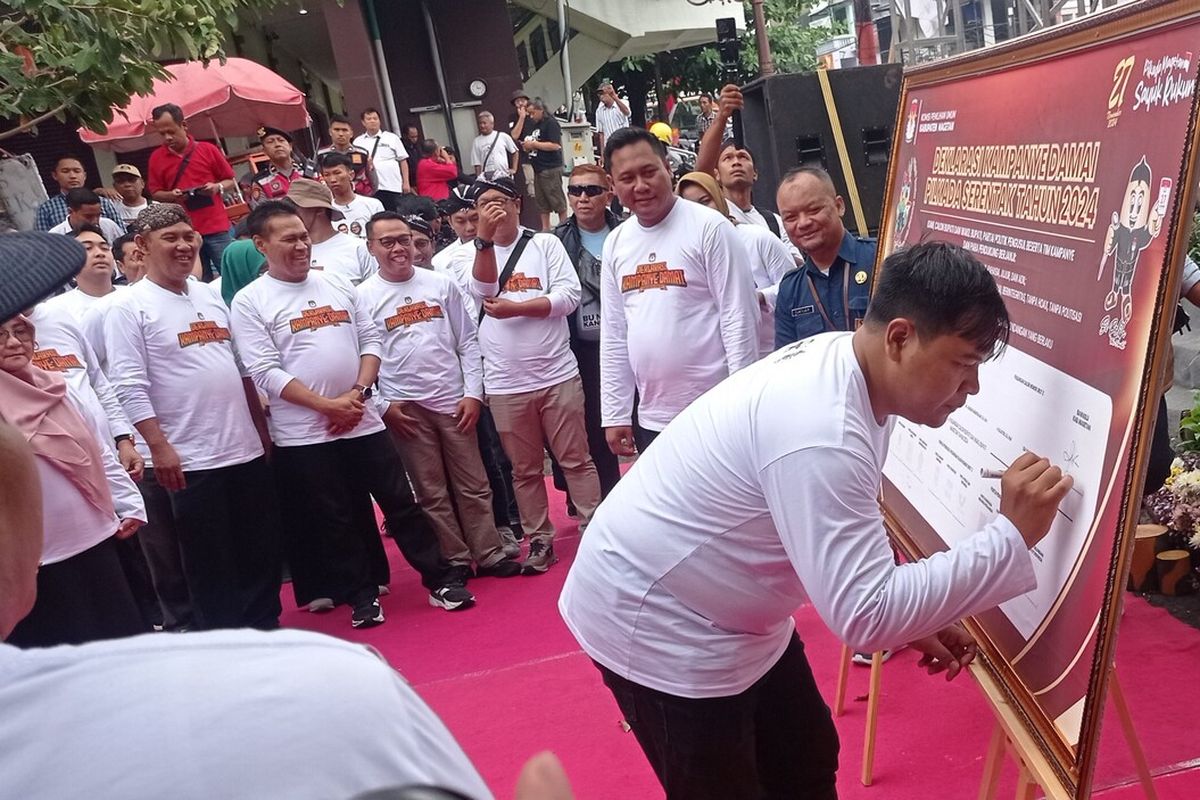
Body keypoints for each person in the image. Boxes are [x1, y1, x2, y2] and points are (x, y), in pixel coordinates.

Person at [560, 241, 1074, 800]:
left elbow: (843, 520)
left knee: (803, 757)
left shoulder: (853, 366)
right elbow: (866, 616)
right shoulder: (822, 425)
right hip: (656, 615)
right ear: (900, 338)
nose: (971, 389)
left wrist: (916, 613)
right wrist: (1012, 536)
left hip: (726, 603)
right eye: (964, 364)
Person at [230, 201, 473, 626]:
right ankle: (361, 595)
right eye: (289, 239)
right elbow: (264, 370)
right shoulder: (250, 302)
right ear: (261, 245)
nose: (302, 246)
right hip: (306, 433)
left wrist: (357, 395)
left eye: (304, 236)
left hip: (362, 419)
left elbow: (370, 341)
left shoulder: (337, 284)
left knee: (401, 502)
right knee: (335, 516)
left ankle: (439, 580)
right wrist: (327, 406)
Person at [104, 203, 283, 631]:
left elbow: (240, 368)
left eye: (189, 236)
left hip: (242, 448)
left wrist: (261, 433)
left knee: (258, 548)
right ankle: (223, 639)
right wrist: (160, 447)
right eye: (171, 238)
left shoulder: (208, 293)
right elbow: (128, 384)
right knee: (208, 559)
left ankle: (265, 627)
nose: (184, 246)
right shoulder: (129, 307)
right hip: (189, 457)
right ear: (143, 247)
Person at [361, 212, 523, 579]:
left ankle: (490, 552)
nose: (399, 248)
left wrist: (472, 394)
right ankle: (455, 558)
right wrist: (384, 407)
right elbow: (364, 355)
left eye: (404, 239)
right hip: (406, 408)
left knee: (474, 482)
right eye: (387, 242)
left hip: (453, 401)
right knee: (430, 490)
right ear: (371, 248)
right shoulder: (363, 297)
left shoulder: (441, 285)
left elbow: (467, 340)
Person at [467, 176, 601, 573]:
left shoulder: (545, 244)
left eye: (502, 200)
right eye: (485, 202)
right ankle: (539, 539)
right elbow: (483, 289)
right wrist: (484, 240)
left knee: (576, 458)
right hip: (506, 384)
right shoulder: (463, 254)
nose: (495, 208)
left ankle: (593, 527)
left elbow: (569, 296)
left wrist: (521, 308)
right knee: (523, 470)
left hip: (556, 374)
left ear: (517, 203)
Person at [599, 128, 758, 455]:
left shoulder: (710, 229)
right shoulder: (616, 242)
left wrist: (742, 404)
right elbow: (615, 333)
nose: (640, 186)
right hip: (653, 417)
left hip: (715, 409)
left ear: (668, 168)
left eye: (649, 172)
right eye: (627, 178)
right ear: (612, 186)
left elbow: (738, 317)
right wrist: (615, 413)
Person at [0, 310, 147, 648]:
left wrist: (126, 503)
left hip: (96, 539)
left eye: (20, 331)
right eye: (0, 335)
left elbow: (97, 448)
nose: (12, 342)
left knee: (118, 649)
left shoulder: (57, 388)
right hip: (37, 562)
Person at [551, 164, 622, 499]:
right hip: (582, 349)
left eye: (592, 190)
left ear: (608, 193)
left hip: (630, 343)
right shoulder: (554, 242)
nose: (583, 198)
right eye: (575, 191)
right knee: (594, 426)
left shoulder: (628, 232)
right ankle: (607, 498)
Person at [676, 172, 793, 358]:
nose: (700, 212)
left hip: (773, 356)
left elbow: (794, 288)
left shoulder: (758, 238)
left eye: (705, 201)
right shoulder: (685, 256)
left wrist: (762, 296)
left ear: (719, 199)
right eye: (690, 207)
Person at [774, 167, 878, 348]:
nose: (804, 223)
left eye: (814, 210)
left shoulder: (881, 259)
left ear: (839, 206)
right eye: (790, 217)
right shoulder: (791, 290)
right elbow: (786, 362)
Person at [146, 102, 237, 281]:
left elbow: (230, 181)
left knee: (231, 276)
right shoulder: (156, 158)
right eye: (162, 133)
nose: (167, 137)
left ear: (184, 125)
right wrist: (172, 195)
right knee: (197, 281)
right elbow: (155, 193)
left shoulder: (208, 150)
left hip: (216, 228)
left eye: (171, 131)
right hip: (184, 233)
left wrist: (216, 187)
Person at [288, 178, 378, 285]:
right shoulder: (290, 251)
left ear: (320, 209)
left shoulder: (359, 248)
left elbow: (375, 293)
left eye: (294, 207)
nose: (288, 214)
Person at [34, 155, 125, 232]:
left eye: (77, 171)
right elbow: (43, 243)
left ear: (84, 175)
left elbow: (121, 234)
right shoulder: (46, 208)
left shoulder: (104, 203)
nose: (73, 176)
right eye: (65, 171)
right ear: (55, 175)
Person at [520, 99, 569, 231]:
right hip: (538, 168)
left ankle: (564, 225)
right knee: (541, 201)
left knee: (556, 198)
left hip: (551, 167)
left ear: (541, 110)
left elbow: (555, 145)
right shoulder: (535, 125)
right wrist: (527, 146)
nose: (531, 116)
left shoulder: (551, 123)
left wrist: (534, 145)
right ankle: (545, 228)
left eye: (532, 113)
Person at [354, 108, 411, 209]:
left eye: (375, 118)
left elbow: (403, 161)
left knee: (394, 215)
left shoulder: (392, 138)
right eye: (369, 119)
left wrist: (406, 182)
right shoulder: (358, 142)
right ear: (363, 122)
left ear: (379, 121)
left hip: (392, 186)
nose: (372, 121)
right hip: (369, 188)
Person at [321, 151, 385, 240]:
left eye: (337, 173)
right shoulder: (325, 212)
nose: (332, 179)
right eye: (327, 175)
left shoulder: (373, 205)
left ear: (351, 175)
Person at [247, 125, 317, 202]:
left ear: (290, 146)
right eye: (270, 142)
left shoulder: (308, 171)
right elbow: (262, 211)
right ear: (264, 151)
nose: (277, 145)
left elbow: (324, 197)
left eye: (281, 140)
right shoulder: (260, 181)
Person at [318, 114, 377, 197]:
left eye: (344, 130)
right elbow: (318, 180)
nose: (341, 134)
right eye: (337, 130)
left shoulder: (363, 153)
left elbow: (373, 181)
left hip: (361, 198)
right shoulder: (321, 154)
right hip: (333, 200)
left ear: (351, 133)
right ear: (330, 132)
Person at [47, 188, 125, 244]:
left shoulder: (109, 226)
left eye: (98, 215)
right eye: (88, 216)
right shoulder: (54, 237)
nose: (95, 221)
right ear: (70, 212)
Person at [472, 111, 520, 180]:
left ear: (492, 124)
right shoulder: (476, 141)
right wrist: (479, 178)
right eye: (480, 123)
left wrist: (514, 169)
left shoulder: (502, 136)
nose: (482, 126)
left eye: (484, 123)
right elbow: (477, 163)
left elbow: (515, 152)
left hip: (503, 175)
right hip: (487, 178)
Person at [508, 90, 537, 200]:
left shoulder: (535, 115)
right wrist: (522, 117)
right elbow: (514, 135)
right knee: (532, 186)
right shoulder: (512, 117)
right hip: (526, 157)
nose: (520, 103)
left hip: (540, 155)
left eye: (523, 101)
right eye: (517, 101)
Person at [593, 82, 631, 155]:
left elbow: (627, 113)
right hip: (610, 147)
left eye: (603, 94)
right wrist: (602, 154)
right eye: (599, 95)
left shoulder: (623, 102)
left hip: (624, 144)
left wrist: (614, 96)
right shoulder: (599, 110)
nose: (601, 97)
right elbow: (601, 133)